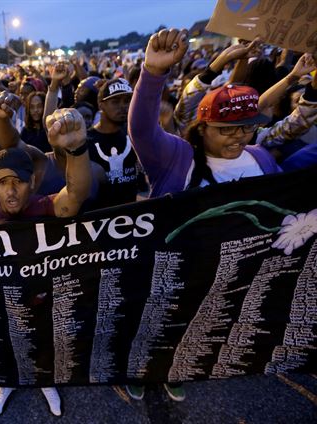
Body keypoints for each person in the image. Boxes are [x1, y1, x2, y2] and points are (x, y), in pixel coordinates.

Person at [127, 28, 283, 402]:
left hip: (225, 275)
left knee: (194, 327)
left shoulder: (262, 159)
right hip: (170, 270)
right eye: (226, 129)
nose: (239, 137)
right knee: (152, 326)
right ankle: (137, 369)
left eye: (247, 127)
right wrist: (152, 72)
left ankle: (176, 370)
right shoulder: (177, 157)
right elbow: (141, 130)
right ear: (202, 127)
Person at [0, 108, 92, 417]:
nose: (10, 191)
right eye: (2, 182)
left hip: (42, 299)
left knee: (43, 345)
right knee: (6, 344)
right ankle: (8, 382)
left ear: (33, 181)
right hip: (2, 301)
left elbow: (74, 196)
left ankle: (45, 381)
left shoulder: (44, 206)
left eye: (19, 182)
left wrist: (76, 150)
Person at [86, 77, 141, 208]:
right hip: (99, 222)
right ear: (100, 104)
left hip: (135, 219)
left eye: (127, 101)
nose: (123, 106)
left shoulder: (135, 135)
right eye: (115, 102)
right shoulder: (86, 141)